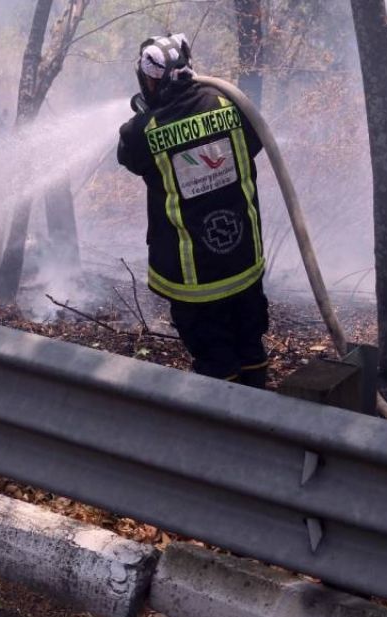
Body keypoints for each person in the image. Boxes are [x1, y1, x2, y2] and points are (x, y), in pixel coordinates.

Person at [117, 34, 270, 388]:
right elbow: (255, 143)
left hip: (194, 277)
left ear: (150, 78)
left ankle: (224, 430)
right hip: (244, 259)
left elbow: (131, 158)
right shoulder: (231, 104)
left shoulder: (142, 131)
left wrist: (148, 113)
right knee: (250, 344)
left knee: (215, 358)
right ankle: (262, 419)